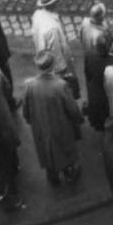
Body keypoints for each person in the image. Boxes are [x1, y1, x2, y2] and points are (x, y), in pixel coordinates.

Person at [22, 49, 84, 185]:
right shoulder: (60, 85)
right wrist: (79, 119)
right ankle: (69, 174)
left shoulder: (30, 86)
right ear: (52, 65)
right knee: (64, 152)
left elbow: (26, 110)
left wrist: (30, 120)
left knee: (47, 153)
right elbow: (72, 108)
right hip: (61, 127)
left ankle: (53, 177)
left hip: (41, 127)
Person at [31, 0, 77, 96]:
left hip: (43, 59)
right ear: (54, 3)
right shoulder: (52, 27)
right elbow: (56, 51)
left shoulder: (37, 15)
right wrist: (64, 69)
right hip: (55, 67)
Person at [84, 36, 113, 132]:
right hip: (106, 94)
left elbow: (87, 73)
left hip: (94, 90)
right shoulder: (112, 61)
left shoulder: (89, 54)